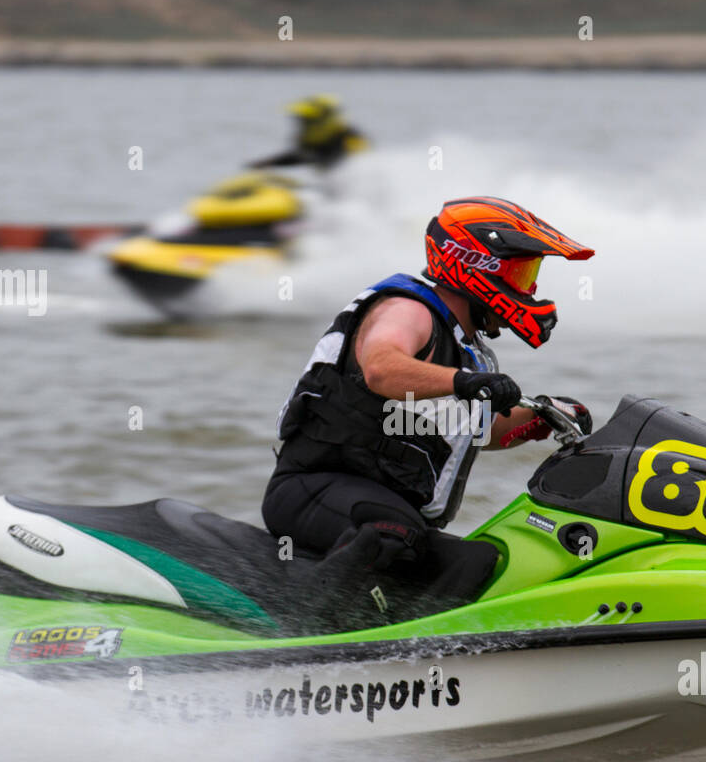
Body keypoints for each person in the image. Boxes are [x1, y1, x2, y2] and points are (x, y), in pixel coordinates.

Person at [263, 196, 595, 572]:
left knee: (484, 564)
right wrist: (465, 382)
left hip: (383, 508)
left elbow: (482, 432)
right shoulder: (409, 310)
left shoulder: (465, 351)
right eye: (521, 275)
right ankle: (318, 626)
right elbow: (381, 367)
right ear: (476, 264)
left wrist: (541, 419)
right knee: (391, 535)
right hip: (313, 490)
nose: (529, 289)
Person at [248, 95, 369, 170]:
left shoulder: (352, 141)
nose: (302, 127)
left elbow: (329, 160)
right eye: (301, 121)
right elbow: (300, 156)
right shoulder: (315, 141)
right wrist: (267, 163)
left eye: (306, 122)